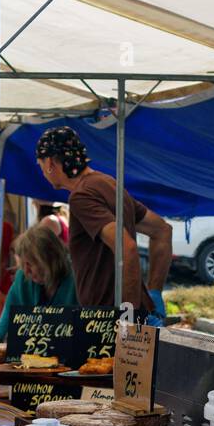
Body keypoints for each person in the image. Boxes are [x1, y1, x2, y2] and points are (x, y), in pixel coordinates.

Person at [35, 126, 173, 319]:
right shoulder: (107, 183)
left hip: (106, 317)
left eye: (40, 165)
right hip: (132, 310)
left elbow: (127, 248)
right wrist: (154, 292)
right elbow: (162, 231)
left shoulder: (81, 196)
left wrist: (127, 316)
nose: (42, 172)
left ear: (49, 162)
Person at [0, 224, 78, 342]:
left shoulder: (75, 278)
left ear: (50, 260)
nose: (26, 271)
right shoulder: (22, 278)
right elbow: (7, 317)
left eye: (30, 264)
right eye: (22, 265)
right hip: (31, 354)